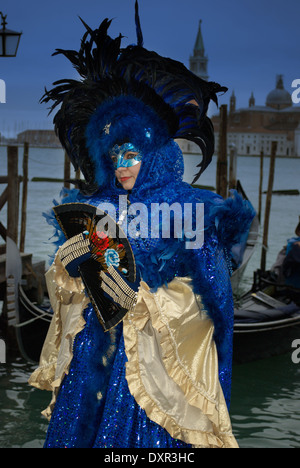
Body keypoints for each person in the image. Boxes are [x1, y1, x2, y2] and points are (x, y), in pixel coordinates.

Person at [29, 2, 255, 448]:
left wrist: (145, 301)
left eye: (132, 154)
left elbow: (211, 300)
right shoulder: (98, 206)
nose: (122, 165)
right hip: (96, 360)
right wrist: (74, 262)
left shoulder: (194, 211)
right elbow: (73, 287)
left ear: (154, 153)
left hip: (154, 375)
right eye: (115, 155)